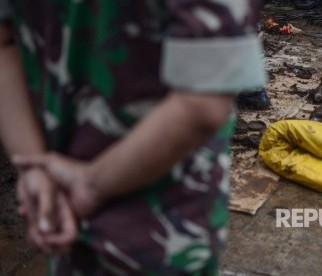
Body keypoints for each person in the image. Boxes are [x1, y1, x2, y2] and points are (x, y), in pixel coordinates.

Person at [0, 0, 266, 275]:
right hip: (162, 227)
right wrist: (88, 185)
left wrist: (32, 166)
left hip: (53, 197)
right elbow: (201, 103)